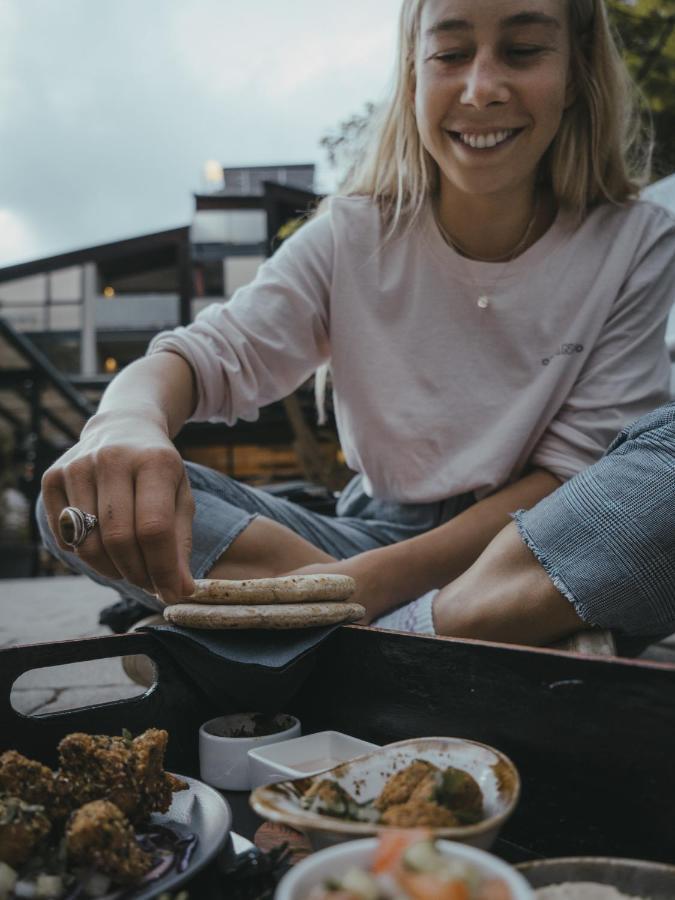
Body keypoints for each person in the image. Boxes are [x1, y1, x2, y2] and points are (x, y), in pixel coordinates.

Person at [40, 0, 675, 648]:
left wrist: (352, 588)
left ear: (575, 73)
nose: (481, 89)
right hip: (365, 537)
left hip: (535, 538)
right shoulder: (350, 234)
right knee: (79, 497)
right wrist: (123, 421)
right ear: (412, 75)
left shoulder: (635, 240)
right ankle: (466, 625)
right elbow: (205, 356)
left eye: (522, 51)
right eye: (450, 54)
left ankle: (318, 633)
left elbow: (571, 476)